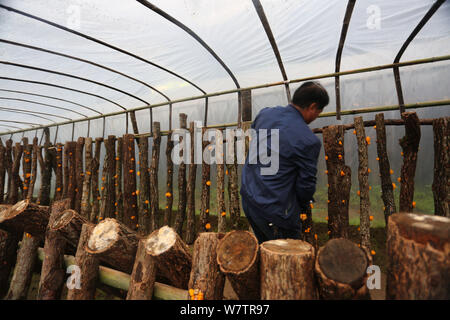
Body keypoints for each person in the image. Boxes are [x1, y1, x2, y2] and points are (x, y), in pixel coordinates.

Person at [240, 81, 329, 243]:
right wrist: (302, 203)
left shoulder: (265, 114)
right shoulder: (308, 140)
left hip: (249, 200)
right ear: (312, 107)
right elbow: (305, 186)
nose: (317, 117)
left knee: (264, 249)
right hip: (275, 211)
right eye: (319, 112)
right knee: (284, 259)